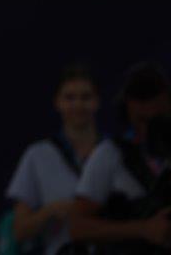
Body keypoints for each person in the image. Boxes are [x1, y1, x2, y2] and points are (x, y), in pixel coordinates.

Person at [69, 63, 171, 250]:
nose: (149, 129)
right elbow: (77, 227)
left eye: (158, 118)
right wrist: (142, 229)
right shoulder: (110, 154)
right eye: (142, 120)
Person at [4, 65, 102, 255]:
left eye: (85, 97)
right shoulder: (38, 155)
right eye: (70, 97)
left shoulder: (114, 152)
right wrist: (50, 211)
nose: (78, 105)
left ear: (97, 101)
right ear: (58, 102)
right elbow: (19, 230)